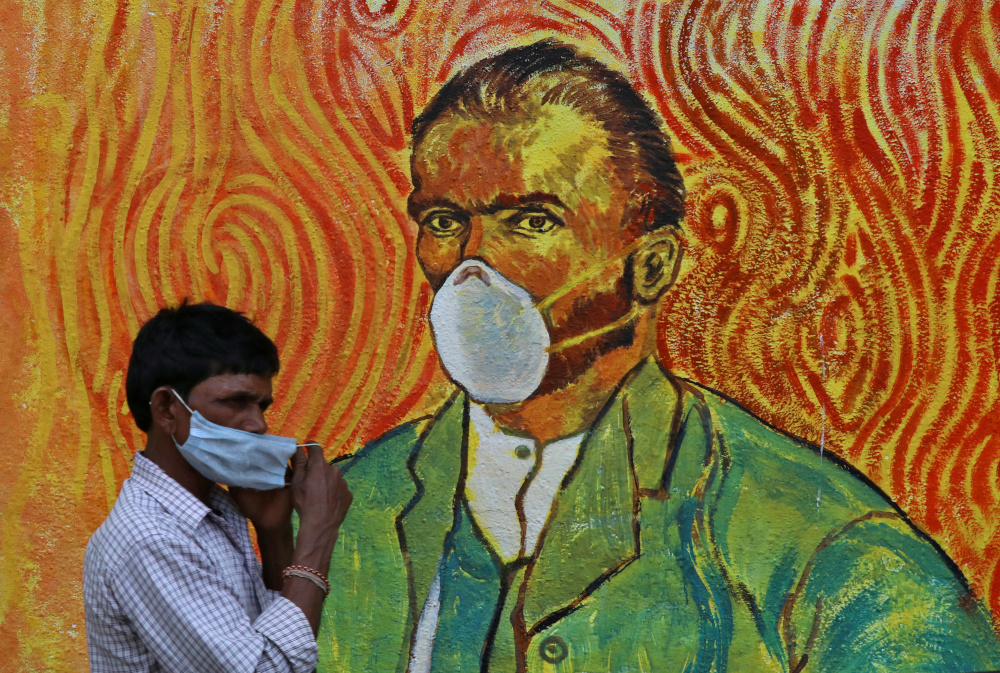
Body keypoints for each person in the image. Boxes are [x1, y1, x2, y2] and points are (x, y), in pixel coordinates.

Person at [317, 40, 1000, 672]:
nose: (473, 262)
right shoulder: (335, 516)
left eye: (531, 220)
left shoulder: (824, 551)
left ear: (649, 266)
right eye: (444, 221)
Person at [84, 302, 353, 672]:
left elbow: (273, 643)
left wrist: (274, 533)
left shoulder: (214, 510)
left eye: (262, 405)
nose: (258, 424)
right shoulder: (149, 536)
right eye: (235, 401)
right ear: (166, 409)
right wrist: (318, 533)